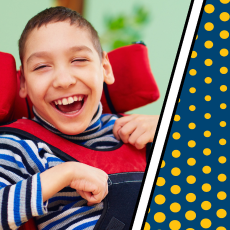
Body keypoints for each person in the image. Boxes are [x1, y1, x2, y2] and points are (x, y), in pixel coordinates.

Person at [0, 6, 159, 230]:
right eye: (42, 66)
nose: (63, 80)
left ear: (105, 68)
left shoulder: (140, 132)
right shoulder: (19, 145)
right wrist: (65, 174)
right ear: (23, 83)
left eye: (78, 60)